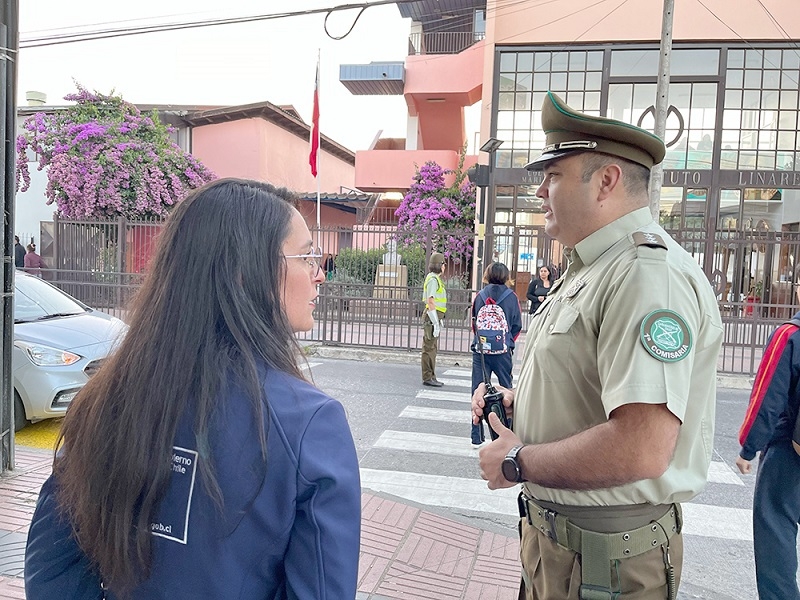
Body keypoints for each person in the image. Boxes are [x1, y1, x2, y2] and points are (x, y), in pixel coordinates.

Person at [24, 178, 362, 599]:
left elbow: (52, 573)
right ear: (244, 272)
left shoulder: (107, 397)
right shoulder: (311, 425)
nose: (319, 275)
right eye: (307, 255)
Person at [471, 91, 723, 599]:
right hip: (564, 551)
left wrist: (519, 460)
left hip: (608, 563)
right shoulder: (593, 267)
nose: (541, 191)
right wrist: (522, 407)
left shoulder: (645, 274)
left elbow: (642, 445)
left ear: (606, 181)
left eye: (555, 175)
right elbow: (592, 388)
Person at [736, 282, 800, 600]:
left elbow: (768, 398)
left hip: (789, 453)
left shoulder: (790, 335)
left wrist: (749, 447)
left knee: (776, 530)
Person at [470, 262, 521, 446]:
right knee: (506, 390)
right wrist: (508, 342)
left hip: (481, 351)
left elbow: (474, 322)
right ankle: (507, 431)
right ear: (506, 276)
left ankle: (476, 435)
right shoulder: (512, 297)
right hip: (502, 352)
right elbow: (517, 324)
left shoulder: (480, 295)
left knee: (477, 392)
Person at [421, 252, 446, 387]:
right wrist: (435, 322)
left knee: (432, 348)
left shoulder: (435, 279)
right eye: (443, 264)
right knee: (429, 348)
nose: (444, 267)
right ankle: (428, 377)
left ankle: (431, 376)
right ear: (440, 265)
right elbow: (430, 301)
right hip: (431, 318)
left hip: (434, 317)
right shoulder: (432, 279)